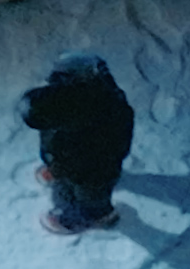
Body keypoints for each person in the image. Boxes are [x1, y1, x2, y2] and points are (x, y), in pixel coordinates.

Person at [19, 50, 134, 235]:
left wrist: (64, 169)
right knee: (65, 162)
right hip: (71, 159)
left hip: (93, 171)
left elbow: (85, 160)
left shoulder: (104, 119)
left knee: (92, 195)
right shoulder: (71, 95)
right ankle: (57, 171)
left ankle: (100, 217)